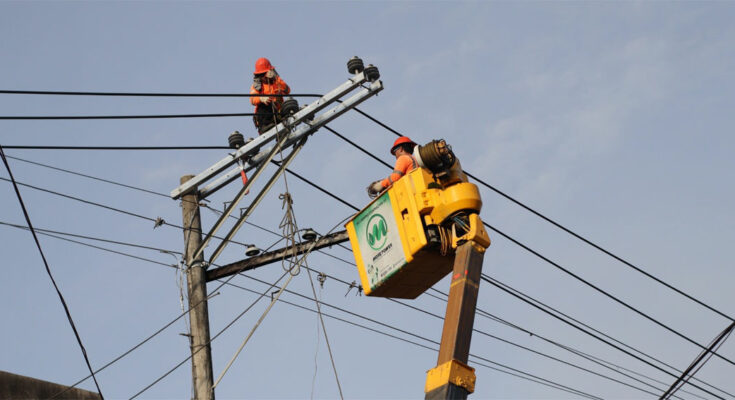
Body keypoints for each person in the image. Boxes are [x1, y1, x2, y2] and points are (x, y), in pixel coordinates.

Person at [250, 57, 290, 134]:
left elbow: (287, 90)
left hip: (278, 114)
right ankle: (265, 126)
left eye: (264, 74)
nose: (264, 77)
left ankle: (282, 129)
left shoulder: (276, 82)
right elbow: (252, 99)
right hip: (264, 117)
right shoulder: (256, 86)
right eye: (261, 75)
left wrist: (276, 78)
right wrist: (261, 98)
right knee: (266, 103)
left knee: (288, 104)